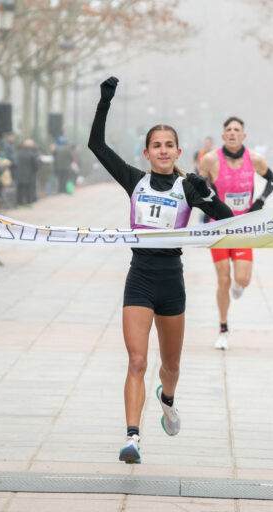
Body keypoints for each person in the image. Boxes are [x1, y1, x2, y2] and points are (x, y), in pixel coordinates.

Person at [88, 77, 233, 464]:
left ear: (178, 151)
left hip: (172, 281)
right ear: (147, 152)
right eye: (157, 145)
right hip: (140, 278)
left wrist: (208, 194)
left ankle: (167, 399)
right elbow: (96, 145)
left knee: (170, 365)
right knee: (137, 361)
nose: (163, 150)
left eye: (169, 145)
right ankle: (132, 438)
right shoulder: (134, 180)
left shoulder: (187, 188)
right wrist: (105, 102)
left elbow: (227, 220)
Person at [197, 116, 273, 350]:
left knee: (242, 279)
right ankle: (223, 329)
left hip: (244, 227)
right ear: (223, 136)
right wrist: (207, 207)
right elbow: (197, 187)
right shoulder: (210, 160)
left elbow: (272, 180)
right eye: (229, 130)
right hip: (219, 228)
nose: (232, 133)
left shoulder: (254, 159)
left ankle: (238, 286)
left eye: (236, 130)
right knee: (223, 279)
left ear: (243, 135)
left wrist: (260, 201)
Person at [14, 139, 40, 204]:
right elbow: (35, 165)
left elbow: (15, 163)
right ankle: (28, 202)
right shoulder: (31, 154)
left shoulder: (18, 153)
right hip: (29, 175)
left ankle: (19, 202)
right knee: (28, 189)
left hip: (19, 174)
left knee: (20, 189)